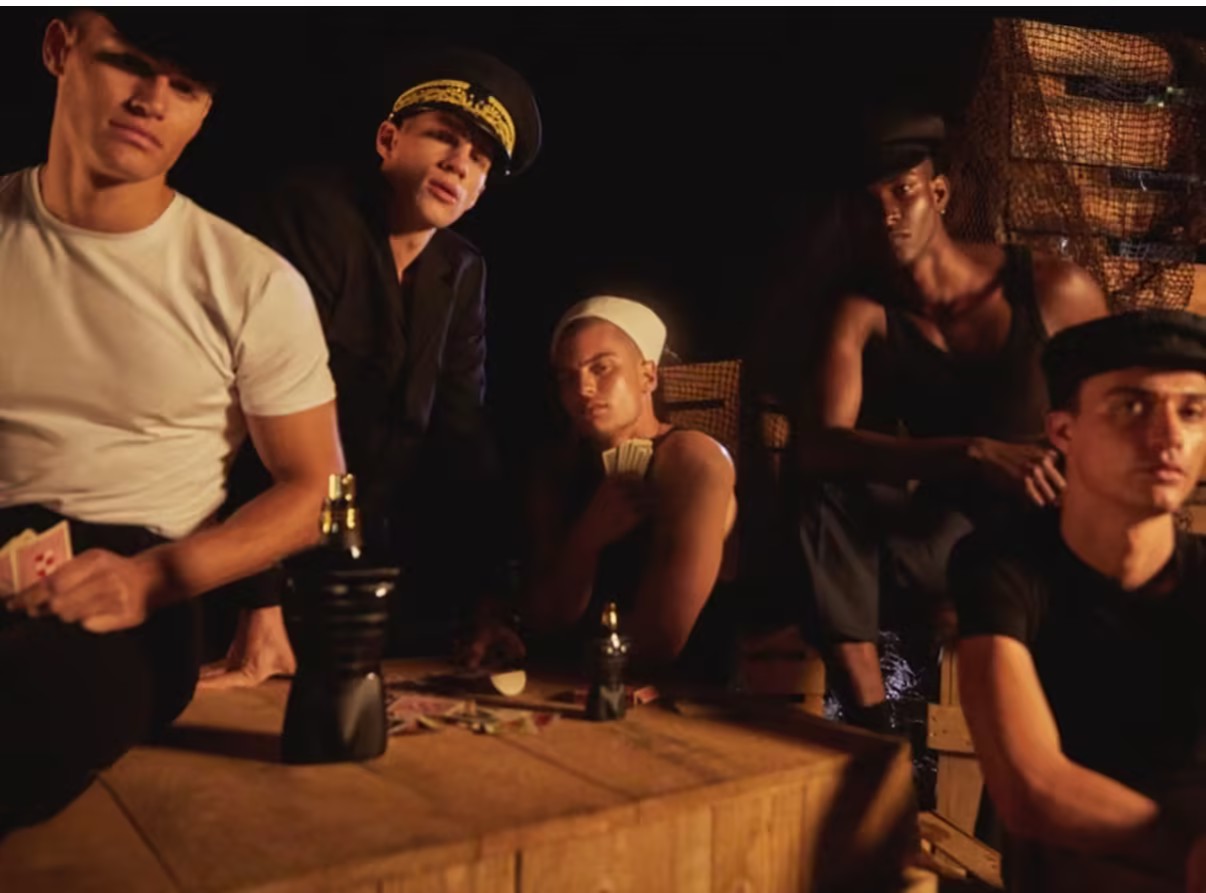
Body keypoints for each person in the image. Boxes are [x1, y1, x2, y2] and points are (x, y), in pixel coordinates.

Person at [0, 10, 341, 830]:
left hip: (134, 587)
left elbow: (317, 489)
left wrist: (152, 579)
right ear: (60, 48)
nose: (152, 100)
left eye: (184, 87)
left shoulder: (251, 280)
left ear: (204, 111)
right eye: (128, 62)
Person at [200, 46, 542, 687]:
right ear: (388, 140)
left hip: (355, 566)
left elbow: (462, 439)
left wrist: (490, 601)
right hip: (236, 550)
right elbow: (249, 408)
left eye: (478, 159)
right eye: (443, 136)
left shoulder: (462, 269)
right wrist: (258, 603)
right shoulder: (312, 215)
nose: (458, 163)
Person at [792, 108, 1108, 730]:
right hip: (944, 533)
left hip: (1050, 520)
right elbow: (821, 446)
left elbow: (1118, 414)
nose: (887, 214)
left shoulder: (1051, 290)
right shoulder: (863, 312)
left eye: (902, 191)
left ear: (938, 194)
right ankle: (874, 728)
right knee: (823, 483)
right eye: (868, 203)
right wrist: (972, 452)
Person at [953, 310, 1206, 892]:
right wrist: (1190, 851)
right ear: (1063, 432)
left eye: (1192, 411)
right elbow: (1033, 788)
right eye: (1132, 407)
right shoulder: (1004, 565)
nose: (1168, 436)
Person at [501, 296, 737, 677]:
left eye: (602, 368)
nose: (583, 388)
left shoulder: (694, 461)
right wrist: (586, 539)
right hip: (566, 679)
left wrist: (548, 656)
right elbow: (546, 615)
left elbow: (661, 639)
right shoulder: (557, 468)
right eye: (567, 377)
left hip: (682, 688)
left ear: (648, 376)